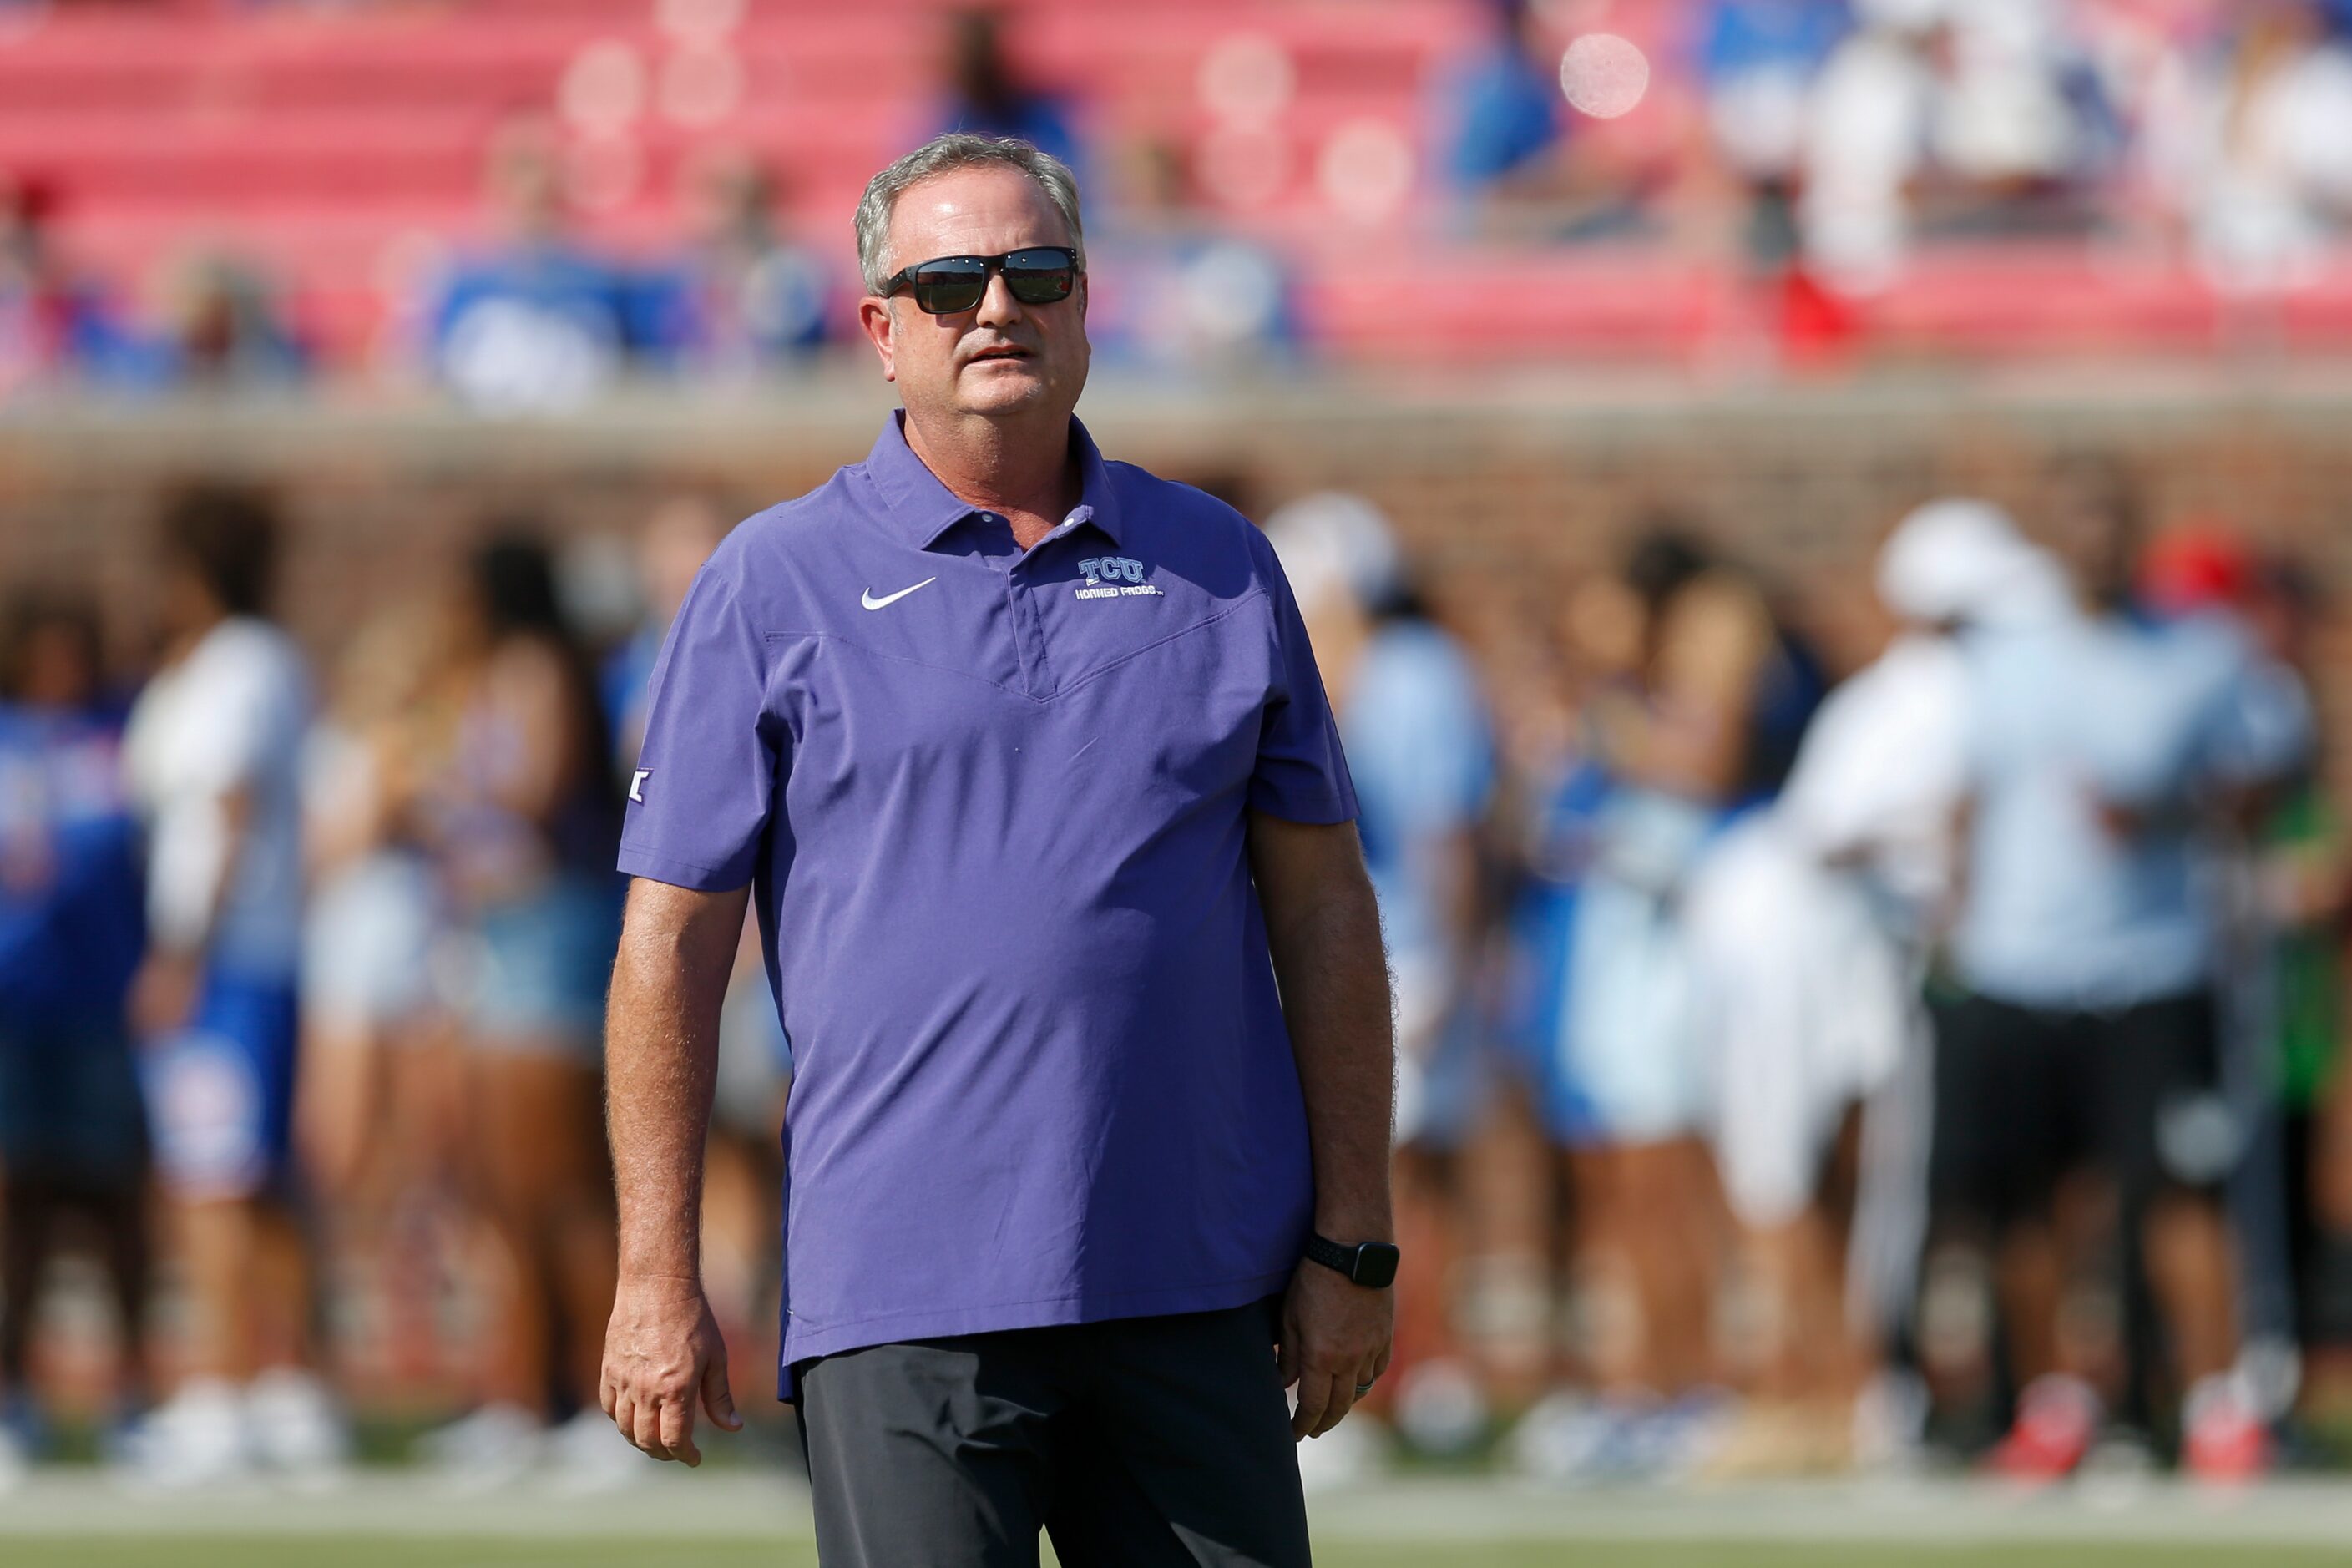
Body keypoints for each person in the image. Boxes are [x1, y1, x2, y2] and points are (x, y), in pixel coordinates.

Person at [599, 133, 1395, 1566]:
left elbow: (1326, 911)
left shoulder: (1219, 562)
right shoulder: (769, 583)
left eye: (1034, 272)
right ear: (878, 326)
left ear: (1087, 304)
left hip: (1197, 1276)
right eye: (950, 279)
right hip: (902, 1284)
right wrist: (655, 1270)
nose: (994, 309)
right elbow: (671, 946)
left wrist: (1351, 1237)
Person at [1935, 463, 2309, 1480]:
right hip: (2016, 967)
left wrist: (2176, 815)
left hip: (2151, 967)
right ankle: (2057, 1407)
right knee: (2029, 1199)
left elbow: (2277, 770)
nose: (2092, 543)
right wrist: (1956, 915)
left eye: (2109, 523)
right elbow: (1971, 794)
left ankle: (2219, 1405)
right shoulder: (2002, 659)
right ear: (2052, 543)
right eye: (2075, 524)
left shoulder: (2197, 658)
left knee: (2182, 1197)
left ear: (2132, 535)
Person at [118, 486, 346, 1486]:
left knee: (212, 1180)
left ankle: (229, 1387)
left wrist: (181, 951)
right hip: (241, 955)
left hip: (226, 959)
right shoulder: (229, 666)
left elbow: (229, 807)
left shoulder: (238, 667)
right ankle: (283, 1387)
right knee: (243, 1178)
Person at [1263, 493, 1497, 1469]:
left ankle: (1419, 1379)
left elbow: (1446, 834)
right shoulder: (1344, 672)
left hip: (1402, 952)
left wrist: (1453, 961)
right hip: (1343, 953)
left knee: (1395, 1175)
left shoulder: (1416, 675)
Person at [416, 533, 632, 1485]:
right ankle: (526, 1397)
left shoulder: (544, 668)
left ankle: (604, 1404)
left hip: (552, 930)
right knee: (502, 1184)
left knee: (564, 1183)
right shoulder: (496, 670)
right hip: (498, 935)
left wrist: (439, 790)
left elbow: (539, 789)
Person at [0, 590, 149, 1479]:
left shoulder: (118, 733)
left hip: (102, 1001)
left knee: (111, 1197)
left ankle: (128, 1397)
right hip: (14, 1001)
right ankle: (16, 1393)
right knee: (18, 1203)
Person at [425, 117, 636, 412]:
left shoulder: (604, 281)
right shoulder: (456, 283)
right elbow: (422, 388)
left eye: (545, 167)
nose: (532, 184)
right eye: (520, 167)